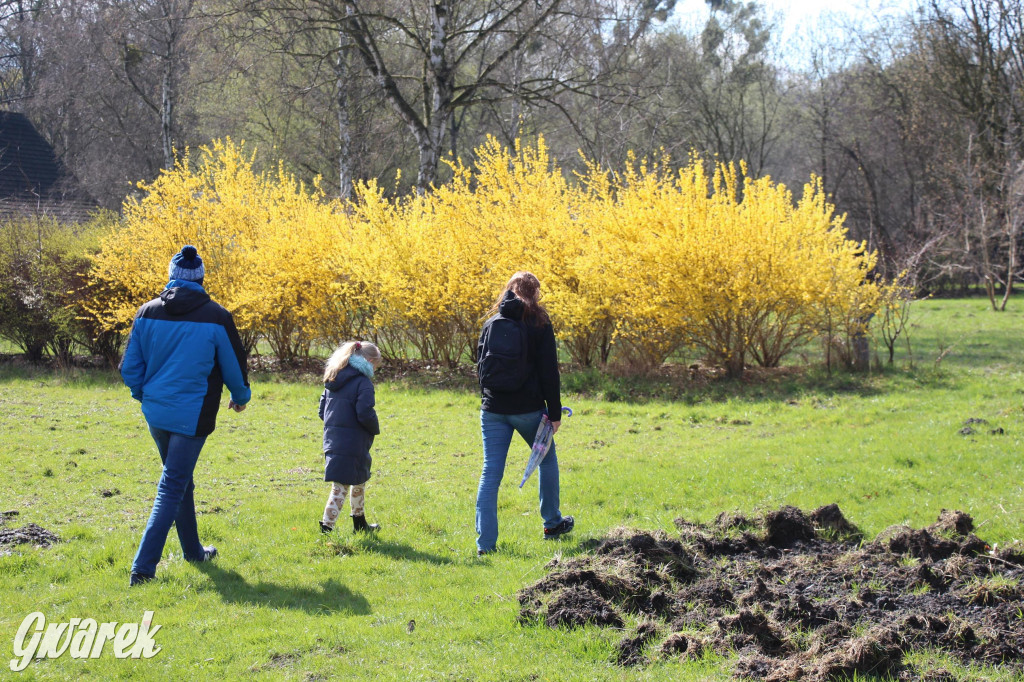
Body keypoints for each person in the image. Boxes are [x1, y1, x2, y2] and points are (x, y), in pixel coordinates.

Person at [120, 245, 251, 587]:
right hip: (192, 416)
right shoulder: (217, 316)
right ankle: (143, 568)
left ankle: (193, 551)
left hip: (157, 412)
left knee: (179, 481)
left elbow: (129, 368)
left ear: (171, 276)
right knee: (172, 485)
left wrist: (144, 396)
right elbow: (234, 366)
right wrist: (241, 397)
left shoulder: (147, 312)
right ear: (201, 278)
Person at [475, 271, 573, 556]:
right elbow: (549, 372)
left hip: (492, 410)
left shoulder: (491, 322)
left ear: (508, 290)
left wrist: (488, 399)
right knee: (547, 460)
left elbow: (480, 366)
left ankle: (485, 545)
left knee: (490, 472)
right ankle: (552, 524)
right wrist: (554, 413)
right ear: (536, 293)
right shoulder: (540, 323)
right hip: (529, 409)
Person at [318, 341, 382, 534]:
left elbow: (323, 410)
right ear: (369, 361)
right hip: (353, 441)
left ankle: (359, 523)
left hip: (334, 438)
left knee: (359, 479)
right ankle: (326, 528)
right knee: (341, 485)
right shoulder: (363, 382)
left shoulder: (334, 377)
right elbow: (364, 412)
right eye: (376, 366)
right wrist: (374, 428)